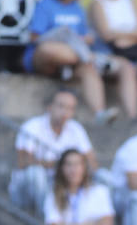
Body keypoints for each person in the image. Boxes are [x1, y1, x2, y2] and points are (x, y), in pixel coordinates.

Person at [22, 0, 118, 124]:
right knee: (52, 50)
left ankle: (100, 112)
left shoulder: (77, 8)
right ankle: (92, 58)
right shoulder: (46, 5)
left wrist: (82, 40)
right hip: (46, 59)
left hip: (72, 62)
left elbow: (85, 36)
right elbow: (35, 37)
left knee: (88, 69)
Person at [8, 88, 95, 217]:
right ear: (50, 107)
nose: (65, 112)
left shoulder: (76, 129)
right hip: (27, 190)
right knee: (36, 173)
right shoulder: (32, 126)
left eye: (70, 108)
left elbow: (91, 161)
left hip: (61, 184)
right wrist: (61, 165)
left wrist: (72, 169)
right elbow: (23, 162)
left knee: (103, 176)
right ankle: (48, 220)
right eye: (61, 106)